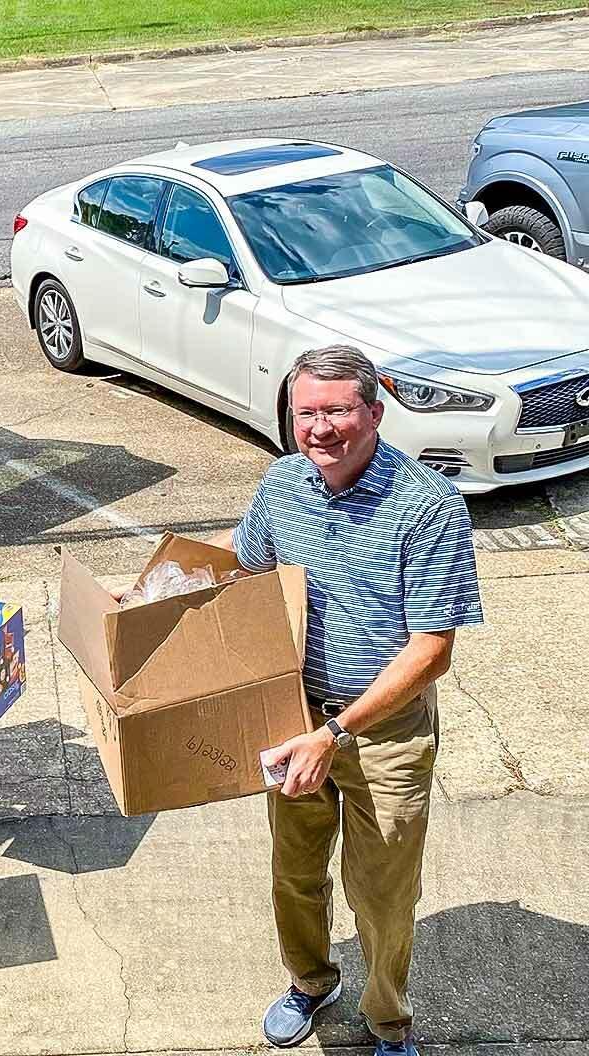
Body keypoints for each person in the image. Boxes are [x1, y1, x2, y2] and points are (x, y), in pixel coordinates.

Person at [212, 346, 483, 1056]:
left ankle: (387, 1019)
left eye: (337, 410)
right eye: (307, 412)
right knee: (294, 872)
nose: (320, 428)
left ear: (374, 412)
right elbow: (244, 568)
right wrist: (153, 591)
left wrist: (334, 734)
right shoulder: (281, 486)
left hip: (384, 733)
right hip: (292, 716)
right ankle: (311, 982)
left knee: (384, 895)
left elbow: (432, 650)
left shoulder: (428, 506)